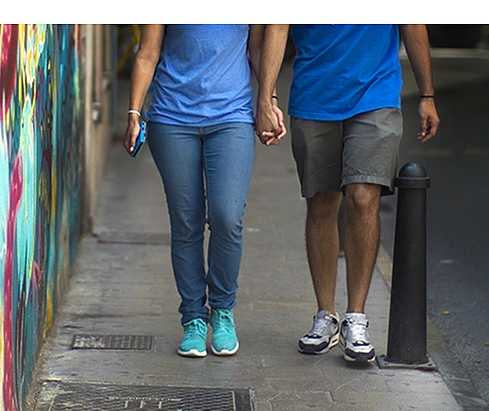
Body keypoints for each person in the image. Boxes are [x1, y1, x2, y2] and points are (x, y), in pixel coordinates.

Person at [255, 25, 440, 362]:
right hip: (314, 96)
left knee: (363, 196)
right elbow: (278, 26)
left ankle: (356, 317)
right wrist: (267, 98)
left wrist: (427, 95)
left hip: (376, 95)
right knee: (322, 203)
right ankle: (325, 315)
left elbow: (412, 22)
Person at [124, 25, 274, 357]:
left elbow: (257, 50)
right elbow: (148, 53)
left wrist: (268, 100)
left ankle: (222, 311)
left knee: (227, 216)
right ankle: (193, 318)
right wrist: (134, 113)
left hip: (232, 117)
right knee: (186, 223)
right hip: (172, 118)